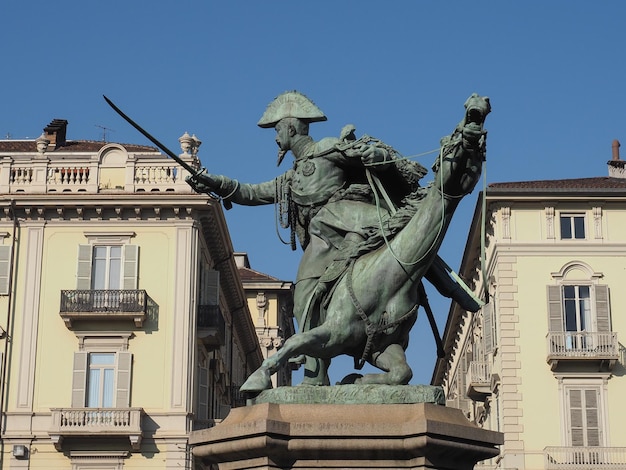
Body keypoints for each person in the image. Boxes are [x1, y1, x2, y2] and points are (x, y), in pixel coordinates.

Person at [187, 91, 478, 386]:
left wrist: (376, 157)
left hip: (347, 221)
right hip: (323, 236)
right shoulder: (291, 178)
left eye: (277, 130)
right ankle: (319, 373)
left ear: (290, 128)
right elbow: (250, 192)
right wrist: (215, 183)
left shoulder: (325, 149)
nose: (276, 137)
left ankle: (314, 375)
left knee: (395, 252)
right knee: (304, 299)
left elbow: (368, 157)